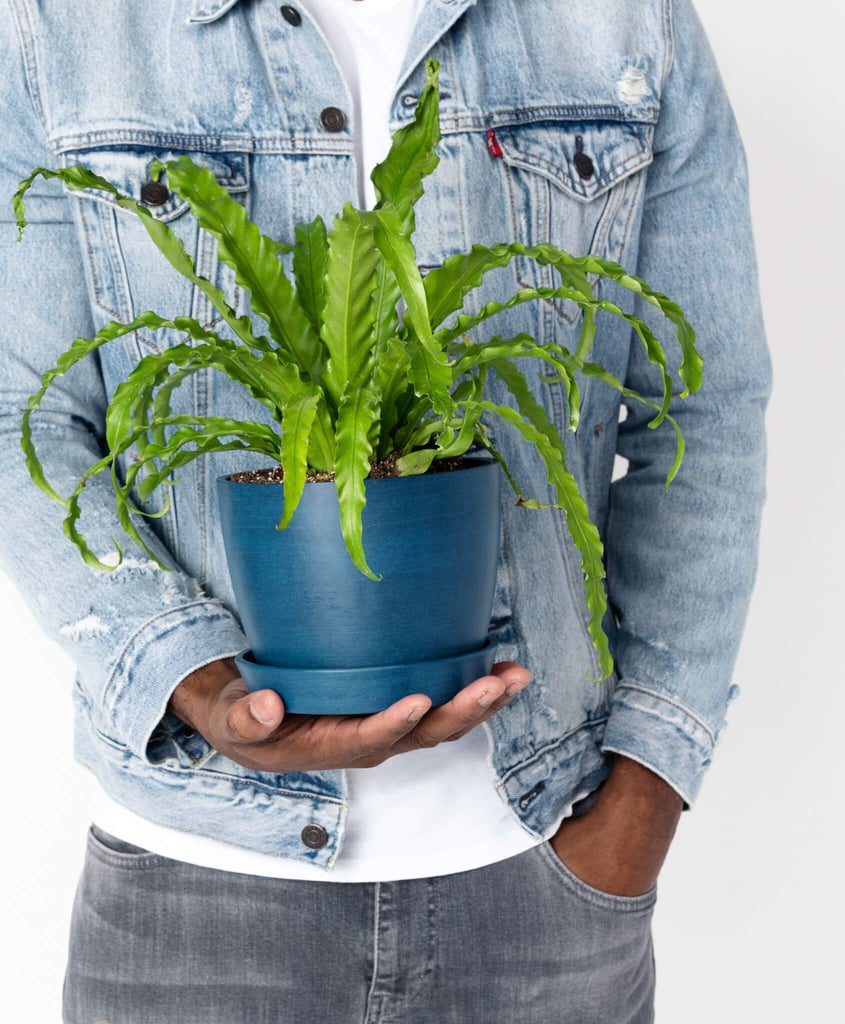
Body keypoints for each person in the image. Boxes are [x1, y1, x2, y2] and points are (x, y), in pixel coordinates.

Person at [0, 1, 770, 1022]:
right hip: (193, 894)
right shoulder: (66, 25)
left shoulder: (622, 20)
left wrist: (639, 805)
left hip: (542, 869)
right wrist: (193, 680)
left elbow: (700, 410)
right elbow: (25, 416)